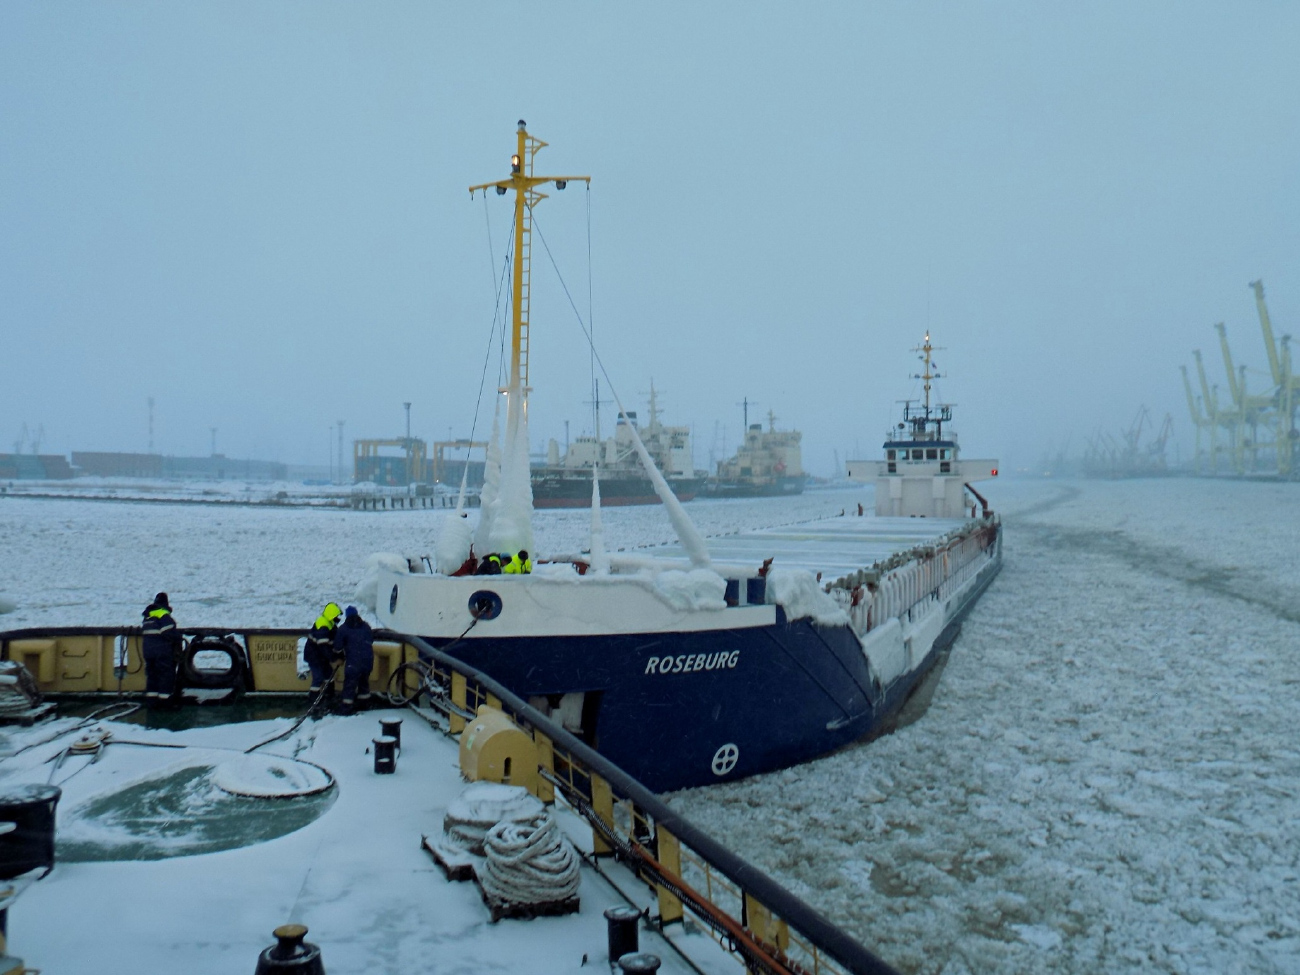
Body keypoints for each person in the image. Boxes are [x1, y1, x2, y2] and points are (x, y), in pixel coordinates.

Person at [141, 592, 182, 707]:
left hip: (148, 651)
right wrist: (179, 637)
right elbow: (168, 632)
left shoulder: (147, 616)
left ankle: (152, 702)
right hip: (161, 651)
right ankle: (165, 702)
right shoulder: (163, 614)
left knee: (152, 676)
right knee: (165, 675)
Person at [332, 605, 374, 715]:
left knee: (349, 685)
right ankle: (364, 705)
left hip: (353, 663)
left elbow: (337, 647)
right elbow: (371, 639)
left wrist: (338, 655)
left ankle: (346, 709)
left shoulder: (344, 628)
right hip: (368, 661)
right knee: (364, 683)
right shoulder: (366, 626)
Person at [305, 602, 342, 697]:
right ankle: (314, 702)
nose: (338, 618)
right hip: (314, 657)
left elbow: (334, 641)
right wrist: (334, 658)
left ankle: (329, 699)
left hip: (322, 657)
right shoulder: (322, 626)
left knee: (329, 676)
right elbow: (324, 646)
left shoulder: (330, 624)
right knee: (318, 678)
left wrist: (339, 655)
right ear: (332, 615)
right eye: (337, 616)